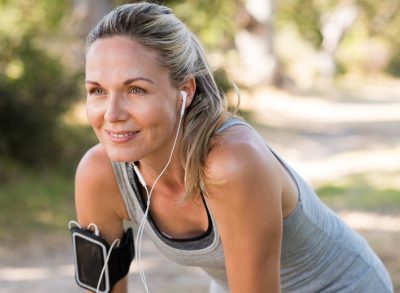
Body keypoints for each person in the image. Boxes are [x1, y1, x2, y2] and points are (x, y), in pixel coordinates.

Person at [74, 2, 394, 292]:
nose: (112, 114)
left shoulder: (231, 164)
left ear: (184, 91)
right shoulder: (99, 175)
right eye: (97, 91)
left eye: (136, 90)